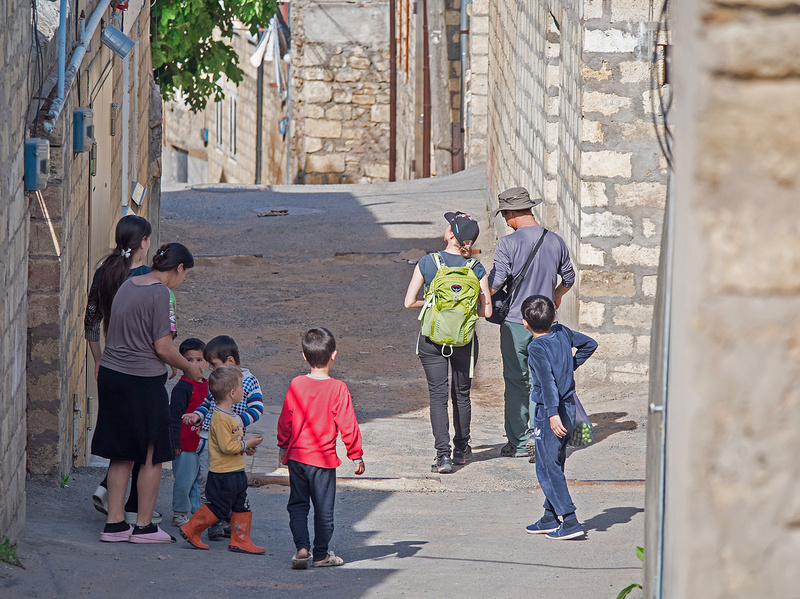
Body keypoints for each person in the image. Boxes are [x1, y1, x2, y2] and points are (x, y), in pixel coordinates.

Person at [91, 242, 202, 543]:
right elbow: (162, 346)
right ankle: (143, 526)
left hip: (113, 375)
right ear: (178, 269)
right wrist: (189, 368)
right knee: (151, 454)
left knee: (121, 452)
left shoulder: (128, 284)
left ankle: (114, 525)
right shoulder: (162, 294)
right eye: (185, 275)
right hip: (142, 381)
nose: (182, 281)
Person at [85, 215, 163, 525]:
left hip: (112, 364)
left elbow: (91, 321)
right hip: (144, 367)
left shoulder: (103, 273)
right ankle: (132, 507)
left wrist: (98, 359)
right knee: (144, 442)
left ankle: (112, 495)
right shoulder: (148, 277)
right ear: (144, 242)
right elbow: (161, 330)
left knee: (122, 435)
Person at [488, 187, 575, 461]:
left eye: (504, 215)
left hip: (516, 322)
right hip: (548, 325)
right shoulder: (555, 240)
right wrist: (556, 297)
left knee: (517, 381)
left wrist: (477, 298)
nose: (505, 220)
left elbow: (495, 283)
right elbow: (569, 278)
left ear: (511, 213)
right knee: (544, 380)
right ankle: (542, 438)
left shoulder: (507, 243)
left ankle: (519, 441)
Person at [404, 212, 492, 474]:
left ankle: (442, 457)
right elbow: (486, 312)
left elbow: (409, 302)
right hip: (464, 340)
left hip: (432, 339)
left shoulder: (428, 262)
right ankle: (461, 450)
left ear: (451, 234)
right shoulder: (476, 268)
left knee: (438, 396)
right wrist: (460, 312)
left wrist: (434, 305)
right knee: (462, 395)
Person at [277, 328, 365, 569]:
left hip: (297, 458)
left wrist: (283, 445)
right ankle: (321, 554)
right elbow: (348, 424)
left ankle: (302, 548)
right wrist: (355, 454)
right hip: (323, 461)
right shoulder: (338, 388)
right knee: (324, 510)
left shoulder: (296, 384)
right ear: (333, 355)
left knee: (297, 504)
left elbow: (286, 419)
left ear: (304, 357)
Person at [521, 295, 596, 540]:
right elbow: (590, 344)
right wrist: (570, 365)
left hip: (549, 412)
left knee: (546, 467)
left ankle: (570, 519)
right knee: (556, 462)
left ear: (525, 323)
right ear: (554, 317)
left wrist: (551, 414)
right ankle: (549, 517)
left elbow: (548, 383)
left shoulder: (536, 348)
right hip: (569, 407)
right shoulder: (562, 331)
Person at [183, 335, 264, 539]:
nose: (210, 368)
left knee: (232, 482)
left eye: (213, 364)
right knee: (208, 481)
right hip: (208, 439)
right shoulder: (217, 379)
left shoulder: (249, 381)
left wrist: (236, 422)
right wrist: (197, 415)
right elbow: (207, 403)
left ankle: (229, 522)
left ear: (229, 361)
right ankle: (210, 523)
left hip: (233, 442)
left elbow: (257, 408)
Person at [169, 338, 209, 527]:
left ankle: (196, 512)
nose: (195, 364)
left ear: (207, 362)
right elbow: (174, 417)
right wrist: (175, 443)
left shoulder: (210, 386)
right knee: (184, 482)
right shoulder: (183, 387)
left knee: (198, 481)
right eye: (189, 360)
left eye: (199, 359)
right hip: (185, 446)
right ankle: (179, 513)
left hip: (201, 444)